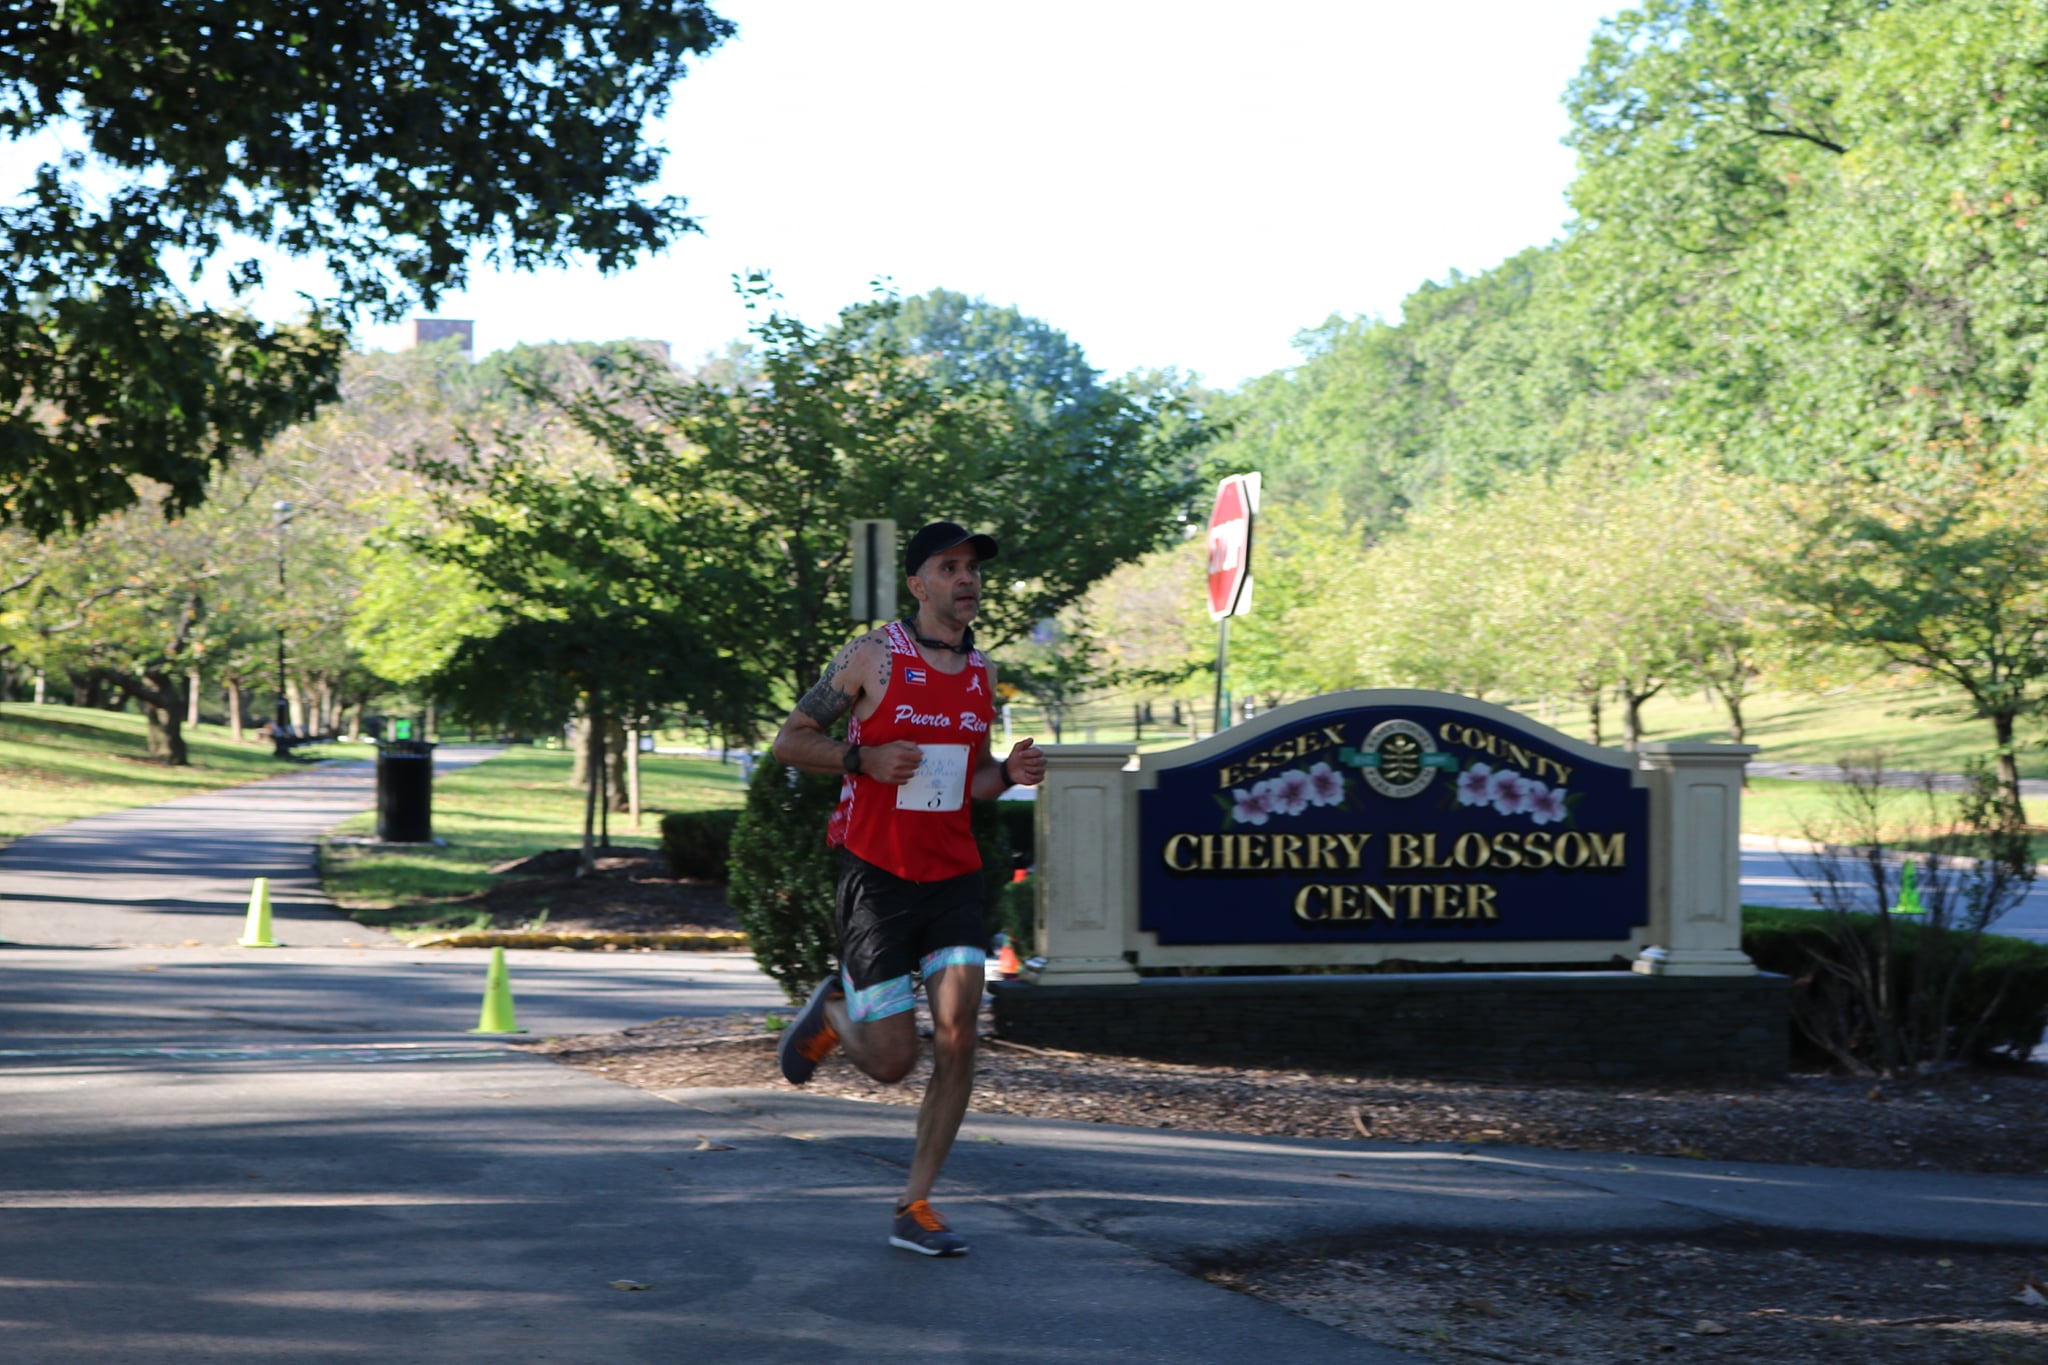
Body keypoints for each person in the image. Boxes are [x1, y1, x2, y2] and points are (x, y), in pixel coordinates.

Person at [770, 520, 1047, 1257]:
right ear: (919, 583)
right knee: (894, 1061)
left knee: (959, 1036)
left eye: (974, 570)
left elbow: (973, 779)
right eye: (950, 568)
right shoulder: (872, 656)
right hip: (879, 880)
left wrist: (1008, 774)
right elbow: (790, 738)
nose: (967, 580)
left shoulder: (982, 672)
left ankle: (915, 1203)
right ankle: (835, 1010)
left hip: (952, 875)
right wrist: (862, 757)